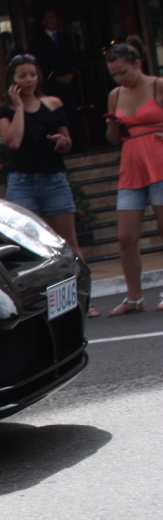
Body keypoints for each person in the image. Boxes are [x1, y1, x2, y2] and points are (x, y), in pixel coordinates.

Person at [0, 54, 94, 313]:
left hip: (54, 179)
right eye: (22, 76)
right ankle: (29, 303)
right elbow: (13, 141)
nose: (28, 80)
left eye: (32, 75)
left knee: (68, 242)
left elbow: (68, 141)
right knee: (20, 243)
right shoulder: (4, 110)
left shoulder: (53, 103)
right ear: (12, 80)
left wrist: (63, 141)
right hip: (22, 182)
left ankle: (84, 302)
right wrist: (18, 107)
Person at [103, 37, 163, 315]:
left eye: (123, 72)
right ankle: (135, 297)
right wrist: (114, 126)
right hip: (132, 166)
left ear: (137, 63)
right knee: (126, 237)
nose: (119, 78)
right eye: (114, 74)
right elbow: (113, 138)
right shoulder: (115, 95)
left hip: (159, 162)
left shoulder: (157, 85)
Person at [31, 10, 83, 152]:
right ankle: (60, 147)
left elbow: (74, 57)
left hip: (69, 84)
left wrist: (71, 74)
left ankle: (77, 145)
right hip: (52, 86)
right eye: (50, 18)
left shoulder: (66, 38)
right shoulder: (38, 41)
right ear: (43, 22)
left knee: (72, 113)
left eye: (55, 17)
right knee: (57, 117)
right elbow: (40, 64)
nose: (54, 20)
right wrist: (55, 77)